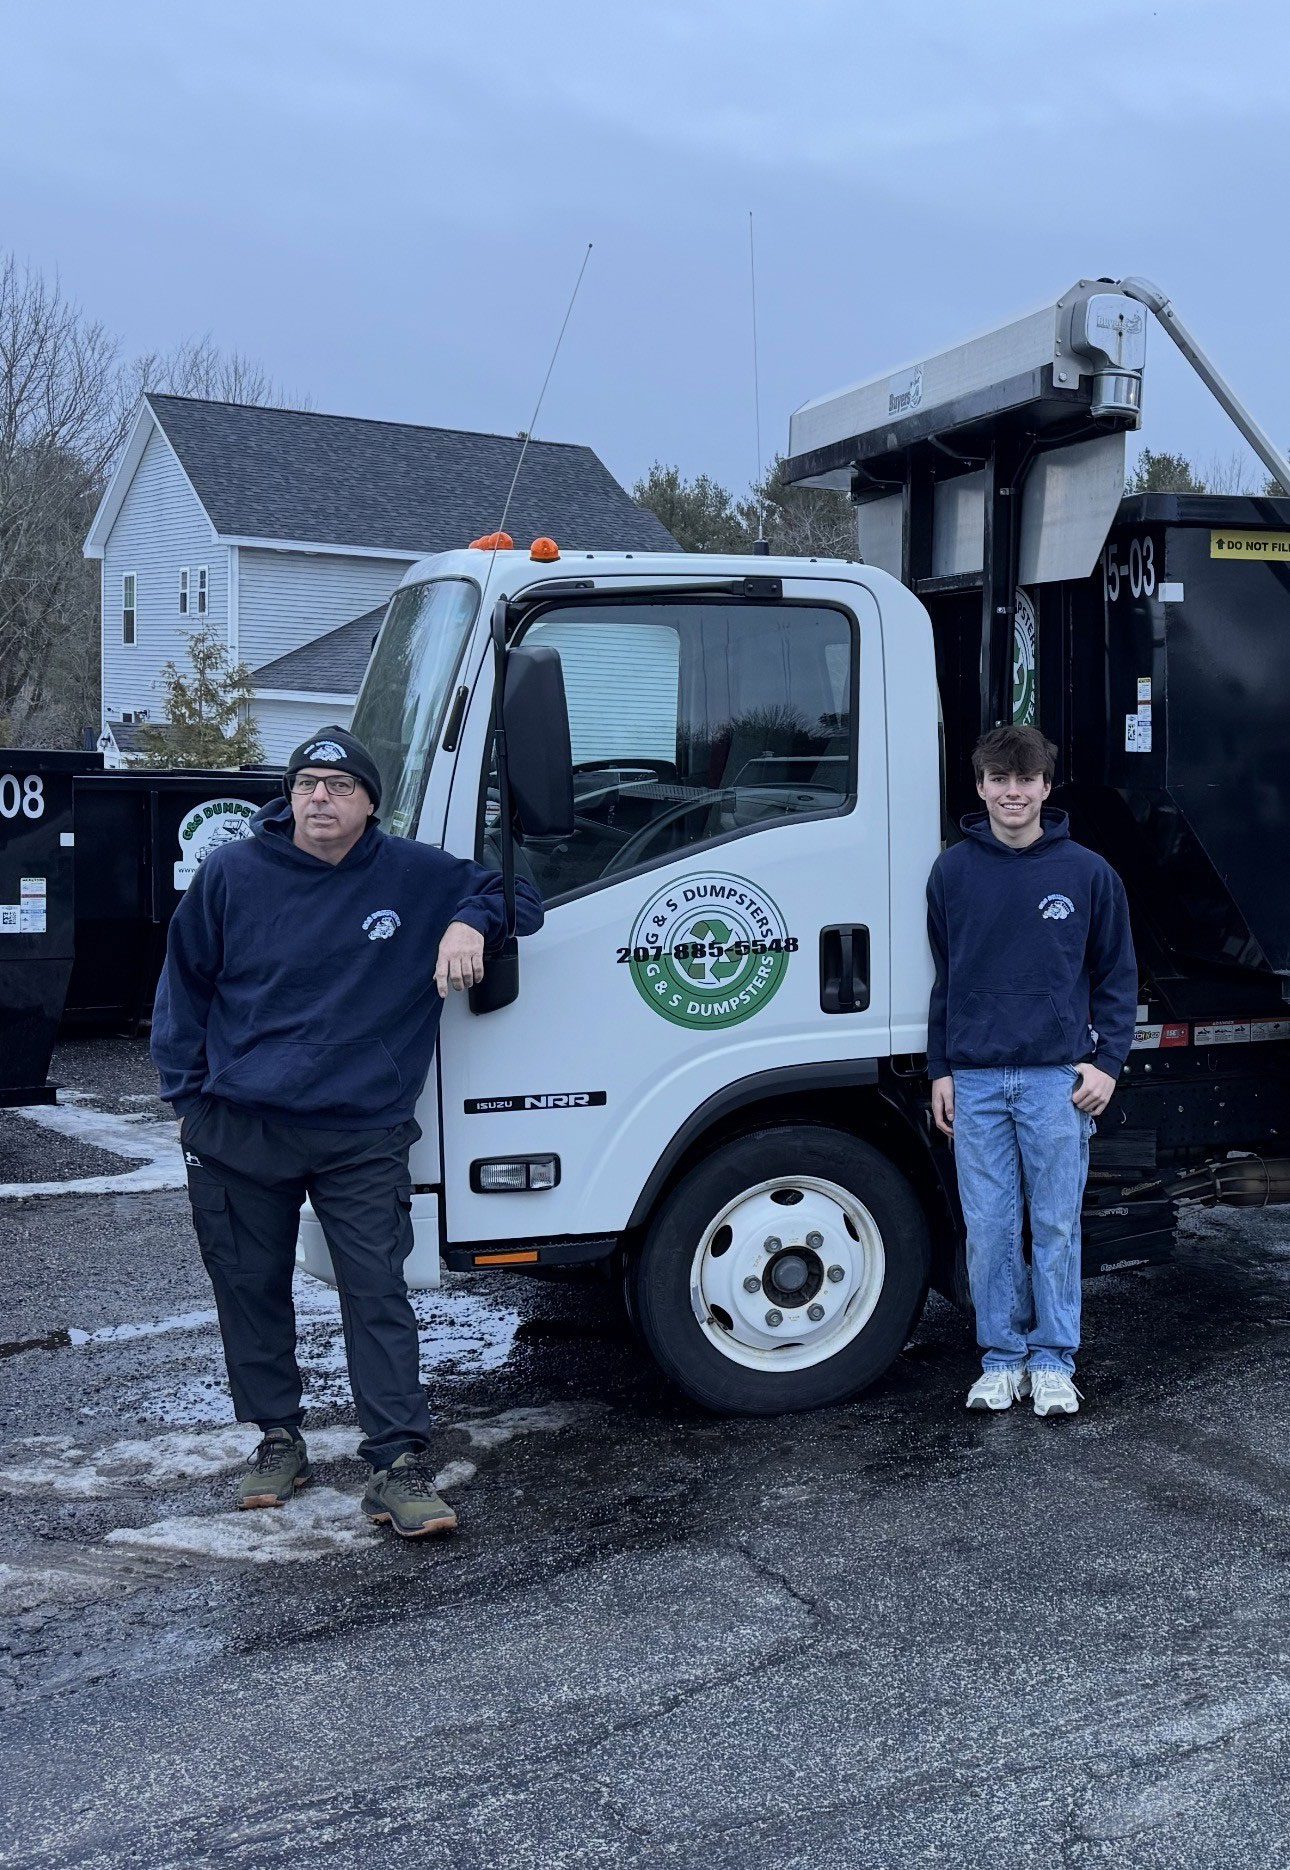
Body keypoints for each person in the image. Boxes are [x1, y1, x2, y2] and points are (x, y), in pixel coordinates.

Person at [152, 726, 543, 1536]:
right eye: (304, 784)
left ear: (370, 802)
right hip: (240, 1127)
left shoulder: (415, 875)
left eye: (335, 785)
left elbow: (518, 893)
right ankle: (277, 1439)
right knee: (249, 1289)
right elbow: (183, 988)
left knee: (378, 1293)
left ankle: (396, 1464)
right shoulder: (232, 873)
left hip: (362, 1130)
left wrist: (472, 921)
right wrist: (189, 1099)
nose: (317, 798)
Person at [926, 725, 1137, 1417]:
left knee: (1054, 1226)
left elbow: (1116, 976)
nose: (1011, 793)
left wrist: (1106, 1062)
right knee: (987, 1230)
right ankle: (1002, 1358)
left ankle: (1053, 1360)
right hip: (978, 1080)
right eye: (998, 779)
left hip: (1055, 1083)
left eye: (1025, 780)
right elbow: (945, 978)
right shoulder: (952, 872)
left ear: (1047, 787)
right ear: (981, 786)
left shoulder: (1088, 873)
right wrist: (940, 1069)